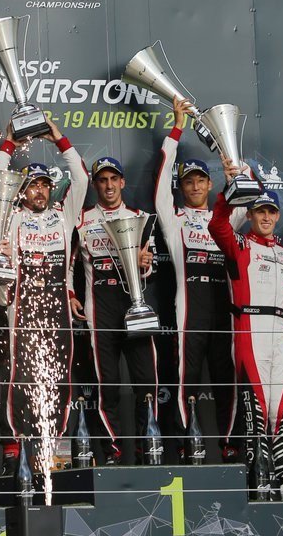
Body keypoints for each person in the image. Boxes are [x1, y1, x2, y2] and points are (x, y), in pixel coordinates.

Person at [0, 118, 89, 465]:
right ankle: (16, 444)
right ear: (22, 190)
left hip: (57, 306)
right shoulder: (11, 216)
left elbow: (81, 177)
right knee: (22, 374)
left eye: (45, 185)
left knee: (59, 374)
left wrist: (58, 138)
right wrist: (9, 143)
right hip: (23, 303)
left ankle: (55, 444)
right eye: (33, 185)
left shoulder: (64, 215)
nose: (40, 192)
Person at [208, 162, 283, 501]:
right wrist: (228, 191)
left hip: (279, 330)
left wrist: (279, 308)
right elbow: (217, 224)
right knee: (256, 409)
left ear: (277, 216)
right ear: (249, 215)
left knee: (282, 408)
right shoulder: (239, 245)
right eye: (260, 211)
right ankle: (258, 478)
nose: (265, 217)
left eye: (271, 212)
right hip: (250, 329)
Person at [155, 97, 243, 461]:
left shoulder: (226, 219)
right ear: (182, 187)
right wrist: (176, 129)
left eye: (200, 181)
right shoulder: (174, 219)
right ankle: (186, 444)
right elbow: (161, 183)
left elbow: (247, 194)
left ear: (209, 184)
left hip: (223, 310)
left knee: (227, 381)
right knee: (185, 379)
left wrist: (233, 164)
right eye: (188, 182)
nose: (194, 187)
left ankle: (229, 445)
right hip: (188, 310)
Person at [75, 155, 155, 464]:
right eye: (102, 180)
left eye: (113, 179)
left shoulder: (140, 216)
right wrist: (70, 293)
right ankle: (112, 450)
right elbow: (68, 263)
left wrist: (146, 265)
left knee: (146, 381)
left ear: (122, 182)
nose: (108, 186)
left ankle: (149, 447)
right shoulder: (81, 219)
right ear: (95, 185)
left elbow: (151, 262)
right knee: (106, 384)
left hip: (134, 305)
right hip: (100, 307)